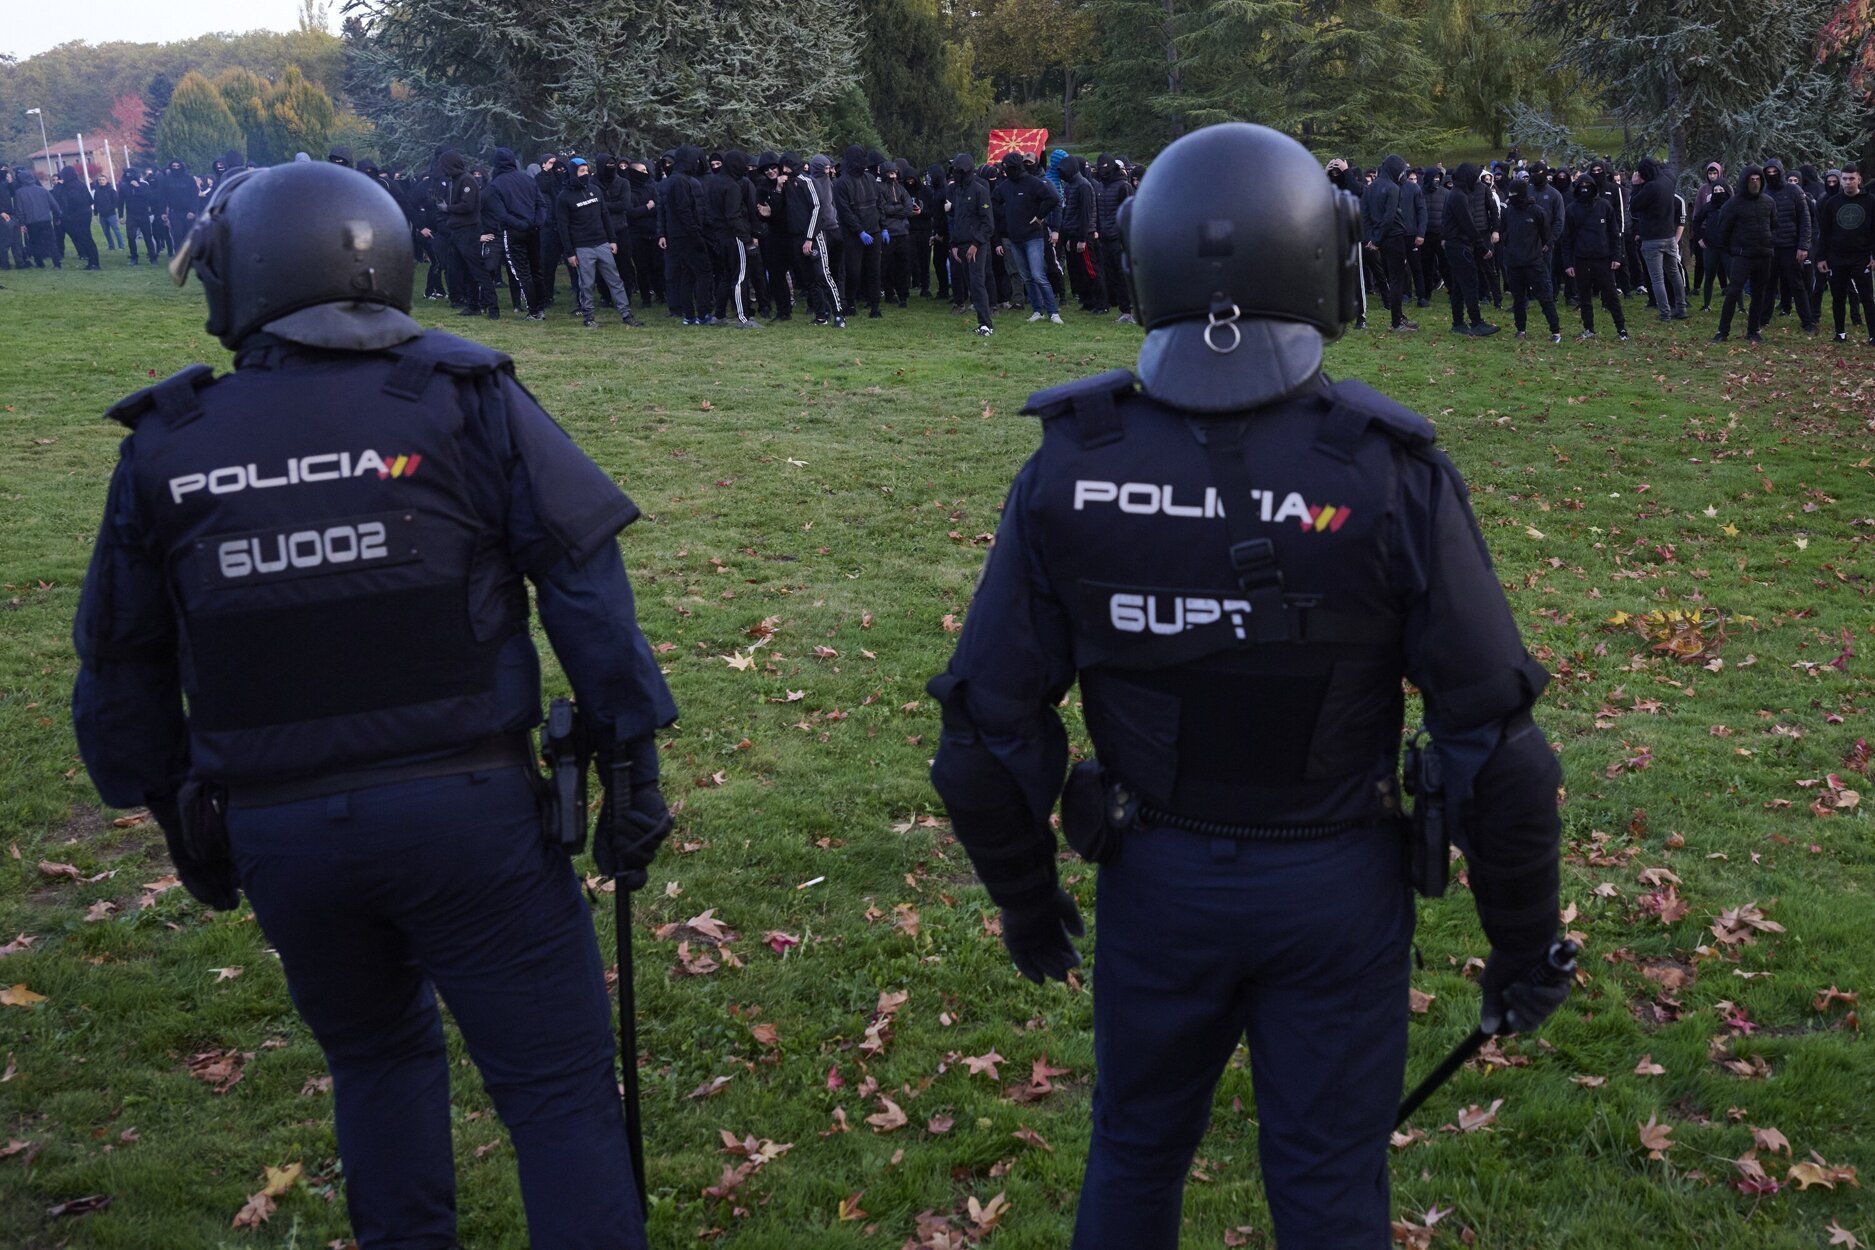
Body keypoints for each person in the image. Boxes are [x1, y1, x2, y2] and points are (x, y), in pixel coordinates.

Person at [925, 121, 1568, 1250]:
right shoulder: (1382, 472)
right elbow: (1498, 747)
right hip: (1331, 889)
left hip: (1157, 881)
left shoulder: (1074, 467)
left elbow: (985, 731)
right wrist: (1521, 941)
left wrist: (1029, 899)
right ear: (1322, 257)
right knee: (1326, 1183)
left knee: (1133, 1150)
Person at [73, 159, 675, 1250]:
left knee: (378, 1061)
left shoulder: (169, 443)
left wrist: (172, 807)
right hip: (471, 817)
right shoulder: (461, 397)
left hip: (281, 830)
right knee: (556, 1090)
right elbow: (583, 577)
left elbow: (120, 663)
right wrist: (631, 753)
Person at [557, 157, 642, 329]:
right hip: (582, 247)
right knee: (587, 284)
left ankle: (626, 315)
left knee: (615, 281)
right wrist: (570, 253)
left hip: (602, 243)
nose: (585, 174)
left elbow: (605, 216)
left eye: (587, 171)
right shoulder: (564, 197)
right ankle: (588, 317)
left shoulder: (595, 190)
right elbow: (563, 227)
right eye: (581, 171)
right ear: (573, 173)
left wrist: (612, 240)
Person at [994, 150, 1064, 324]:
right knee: (1026, 277)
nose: (1006, 172)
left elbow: (1053, 198)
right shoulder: (1005, 186)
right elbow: (993, 202)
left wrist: (1040, 216)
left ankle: (1053, 312)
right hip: (1014, 237)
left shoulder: (1034, 183)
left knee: (1038, 274)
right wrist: (1006, 216)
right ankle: (1037, 310)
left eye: (1008, 168)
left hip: (1033, 237)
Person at [1713, 166, 1777, 344]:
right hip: (1742, 255)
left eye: (1758, 179)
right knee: (1733, 292)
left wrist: (1769, 242)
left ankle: (1753, 330)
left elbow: (1773, 225)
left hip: (1763, 254)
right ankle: (1722, 331)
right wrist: (1732, 250)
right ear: (1745, 181)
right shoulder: (1733, 204)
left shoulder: (1768, 202)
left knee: (1759, 293)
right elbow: (1724, 229)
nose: (1755, 182)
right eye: (1751, 179)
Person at [1562, 171, 1628, 341]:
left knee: (1611, 294)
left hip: (1603, 258)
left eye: (1588, 186)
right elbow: (1567, 239)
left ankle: (1621, 328)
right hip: (1581, 259)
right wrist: (1568, 263)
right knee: (1584, 295)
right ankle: (1589, 328)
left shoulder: (1604, 206)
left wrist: (1616, 257)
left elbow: (1614, 234)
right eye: (1581, 186)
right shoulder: (1571, 209)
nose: (1585, 189)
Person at [780, 151, 845, 327]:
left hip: (814, 236)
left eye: (786, 166)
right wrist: (778, 188)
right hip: (796, 237)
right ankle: (821, 315)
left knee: (823, 275)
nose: (783, 170)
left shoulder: (807, 182)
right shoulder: (786, 185)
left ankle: (839, 314)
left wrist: (809, 238)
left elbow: (817, 209)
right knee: (809, 280)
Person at [1360, 153, 1421, 332]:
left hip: (1380, 238)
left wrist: (1372, 238)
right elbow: (1389, 217)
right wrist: (1377, 239)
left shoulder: (1370, 188)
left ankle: (1398, 317)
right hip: (1393, 237)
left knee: (1392, 277)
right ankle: (1397, 321)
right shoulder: (1393, 188)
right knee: (1396, 279)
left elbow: (1365, 216)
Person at [1817, 165, 1875, 345]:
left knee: (1867, 297)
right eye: (1845, 179)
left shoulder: (1871, 201)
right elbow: (1824, 232)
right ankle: (1840, 333)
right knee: (1838, 297)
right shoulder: (1832, 203)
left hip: (1862, 257)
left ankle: (1873, 334)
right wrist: (1821, 257)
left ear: (1859, 179)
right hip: (1837, 258)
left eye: (1852, 178)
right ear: (1840, 180)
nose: (1848, 182)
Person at [486, 147, 543, 319]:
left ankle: (533, 310)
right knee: (536, 270)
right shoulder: (528, 179)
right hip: (533, 229)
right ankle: (539, 308)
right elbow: (541, 204)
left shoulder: (495, 185)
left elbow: (501, 214)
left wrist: (520, 225)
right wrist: (536, 222)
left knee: (521, 272)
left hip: (514, 231)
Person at [440, 151, 498, 318]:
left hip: (468, 230)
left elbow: (468, 205)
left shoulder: (466, 180)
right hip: (458, 230)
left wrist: (448, 208)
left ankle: (492, 307)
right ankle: (473, 305)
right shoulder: (456, 180)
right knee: (464, 270)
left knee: (477, 270)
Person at [1441, 164, 1498, 336]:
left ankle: (1458, 322)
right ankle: (1476, 322)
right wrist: (1481, 246)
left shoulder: (1457, 194)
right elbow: (1468, 224)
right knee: (1470, 283)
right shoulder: (1459, 196)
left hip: (1456, 245)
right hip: (1460, 245)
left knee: (1459, 285)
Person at [1762, 160, 1818, 333]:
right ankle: (1763, 318)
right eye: (1768, 172)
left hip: (1790, 246)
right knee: (1768, 285)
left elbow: (1805, 220)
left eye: (1774, 171)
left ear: (1780, 171)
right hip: (1770, 248)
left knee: (1797, 284)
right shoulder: (1763, 193)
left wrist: (1803, 246)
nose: (1772, 175)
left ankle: (1807, 321)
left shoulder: (1794, 191)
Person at [664, 146, 716, 326]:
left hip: (678, 235)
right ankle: (702, 314)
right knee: (703, 272)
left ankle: (689, 315)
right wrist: (696, 234)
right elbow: (684, 210)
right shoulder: (681, 181)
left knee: (687, 274)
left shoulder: (675, 180)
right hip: (687, 235)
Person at [1630, 159, 1688, 321]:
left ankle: (1665, 313)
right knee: (1674, 273)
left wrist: (1635, 185)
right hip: (1669, 235)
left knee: (1657, 278)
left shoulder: (1650, 187)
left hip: (1652, 238)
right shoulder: (1667, 181)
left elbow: (1634, 206)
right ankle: (1681, 307)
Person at [946, 152, 995, 337]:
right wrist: (954, 244)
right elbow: (957, 219)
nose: (954, 174)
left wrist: (976, 243)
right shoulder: (958, 191)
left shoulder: (980, 191)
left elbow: (988, 223)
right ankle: (982, 322)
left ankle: (986, 324)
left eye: (957, 170)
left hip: (977, 245)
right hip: (961, 244)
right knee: (970, 284)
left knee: (977, 283)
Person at [834, 143, 883, 318]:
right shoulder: (841, 183)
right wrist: (860, 231)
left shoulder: (870, 179)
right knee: (853, 271)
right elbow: (845, 212)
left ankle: (875, 306)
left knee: (874, 270)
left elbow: (878, 204)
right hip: (854, 235)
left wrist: (881, 227)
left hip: (874, 231)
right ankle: (851, 303)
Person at [1091, 155, 1133, 324]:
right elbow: (1099, 212)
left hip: (1120, 239)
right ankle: (1122, 308)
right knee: (1112, 276)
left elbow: (1129, 215)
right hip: (1104, 238)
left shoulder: (1123, 186)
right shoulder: (1101, 186)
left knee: (1124, 276)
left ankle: (1128, 311)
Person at [1689, 179, 1730, 311]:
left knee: (1734, 278)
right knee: (1709, 277)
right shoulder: (1708, 207)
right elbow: (1696, 222)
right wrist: (1700, 238)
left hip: (1728, 247)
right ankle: (1706, 305)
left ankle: (1740, 307)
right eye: (1716, 190)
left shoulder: (1732, 205)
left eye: (1721, 190)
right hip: (1711, 247)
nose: (1718, 192)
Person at [879, 157, 914, 308]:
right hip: (889, 232)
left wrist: (895, 210)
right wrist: (898, 209)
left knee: (904, 265)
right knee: (888, 265)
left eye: (895, 173)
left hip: (903, 232)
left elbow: (908, 207)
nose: (893, 176)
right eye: (890, 173)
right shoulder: (880, 188)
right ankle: (889, 292)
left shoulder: (901, 188)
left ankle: (903, 295)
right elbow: (882, 208)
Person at [54, 166, 102, 270]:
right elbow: (90, 200)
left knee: (86, 239)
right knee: (85, 238)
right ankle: (92, 261)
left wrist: (59, 186)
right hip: (85, 214)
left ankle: (94, 263)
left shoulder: (68, 187)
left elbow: (62, 199)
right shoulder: (80, 184)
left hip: (77, 216)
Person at [94, 176, 124, 252]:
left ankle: (121, 246)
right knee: (106, 232)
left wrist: (109, 209)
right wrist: (95, 213)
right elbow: (96, 203)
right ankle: (111, 246)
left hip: (111, 215)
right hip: (102, 215)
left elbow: (116, 202)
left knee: (116, 230)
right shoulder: (97, 191)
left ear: (106, 181)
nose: (101, 181)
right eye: (99, 180)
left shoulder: (111, 191)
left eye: (103, 180)